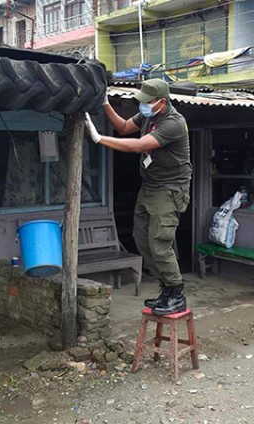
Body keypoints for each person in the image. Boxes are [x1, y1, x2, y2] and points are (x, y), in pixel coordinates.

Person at [85, 79, 192, 316]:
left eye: (147, 102)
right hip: (150, 187)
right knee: (141, 239)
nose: (142, 105)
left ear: (162, 102)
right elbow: (123, 127)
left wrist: (99, 139)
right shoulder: (149, 116)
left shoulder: (174, 123)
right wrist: (105, 104)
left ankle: (177, 293)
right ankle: (166, 288)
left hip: (170, 189)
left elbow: (139, 145)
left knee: (160, 244)